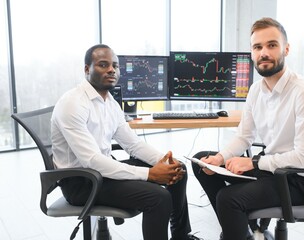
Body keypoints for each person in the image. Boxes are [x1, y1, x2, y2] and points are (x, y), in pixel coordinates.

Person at [191, 17, 304, 240]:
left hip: (293, 180)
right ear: (252, 53)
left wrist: (253, 162)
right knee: (201, 162)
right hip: (269, 169)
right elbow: (244, 136)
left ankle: (237, 231)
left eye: (272, 45)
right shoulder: (256, 90)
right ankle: (241, 230)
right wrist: (220, 157)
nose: (264, 52)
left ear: (286, 49)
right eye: (257, 47)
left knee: (228, 199)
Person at [51, 44, 201, 240]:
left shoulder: (110, 103)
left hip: (103, 172)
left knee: (177, 170)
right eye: (103, 65)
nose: (112, 70)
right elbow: (92, 160)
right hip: (81, 182)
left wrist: (162, 162)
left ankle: (181, 237)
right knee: (158, 197)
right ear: (87, 69)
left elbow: (133, 144)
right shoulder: (72, 103)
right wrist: (150, 174)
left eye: (115, 66)